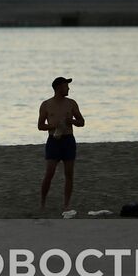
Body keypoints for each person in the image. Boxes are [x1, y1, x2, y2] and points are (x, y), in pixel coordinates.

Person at [38, 76, 84, 216]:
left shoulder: (71, 103)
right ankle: (43, 203)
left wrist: (72, 121)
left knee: (69, 174)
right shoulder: (46, 104)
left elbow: (82, 122)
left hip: (68, 140)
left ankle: (66, 204)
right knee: (49, 173)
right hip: (53, 140)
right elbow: (40, 126)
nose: (68, 88)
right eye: (66, 86)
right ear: (58, 88)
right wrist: (53, 125)